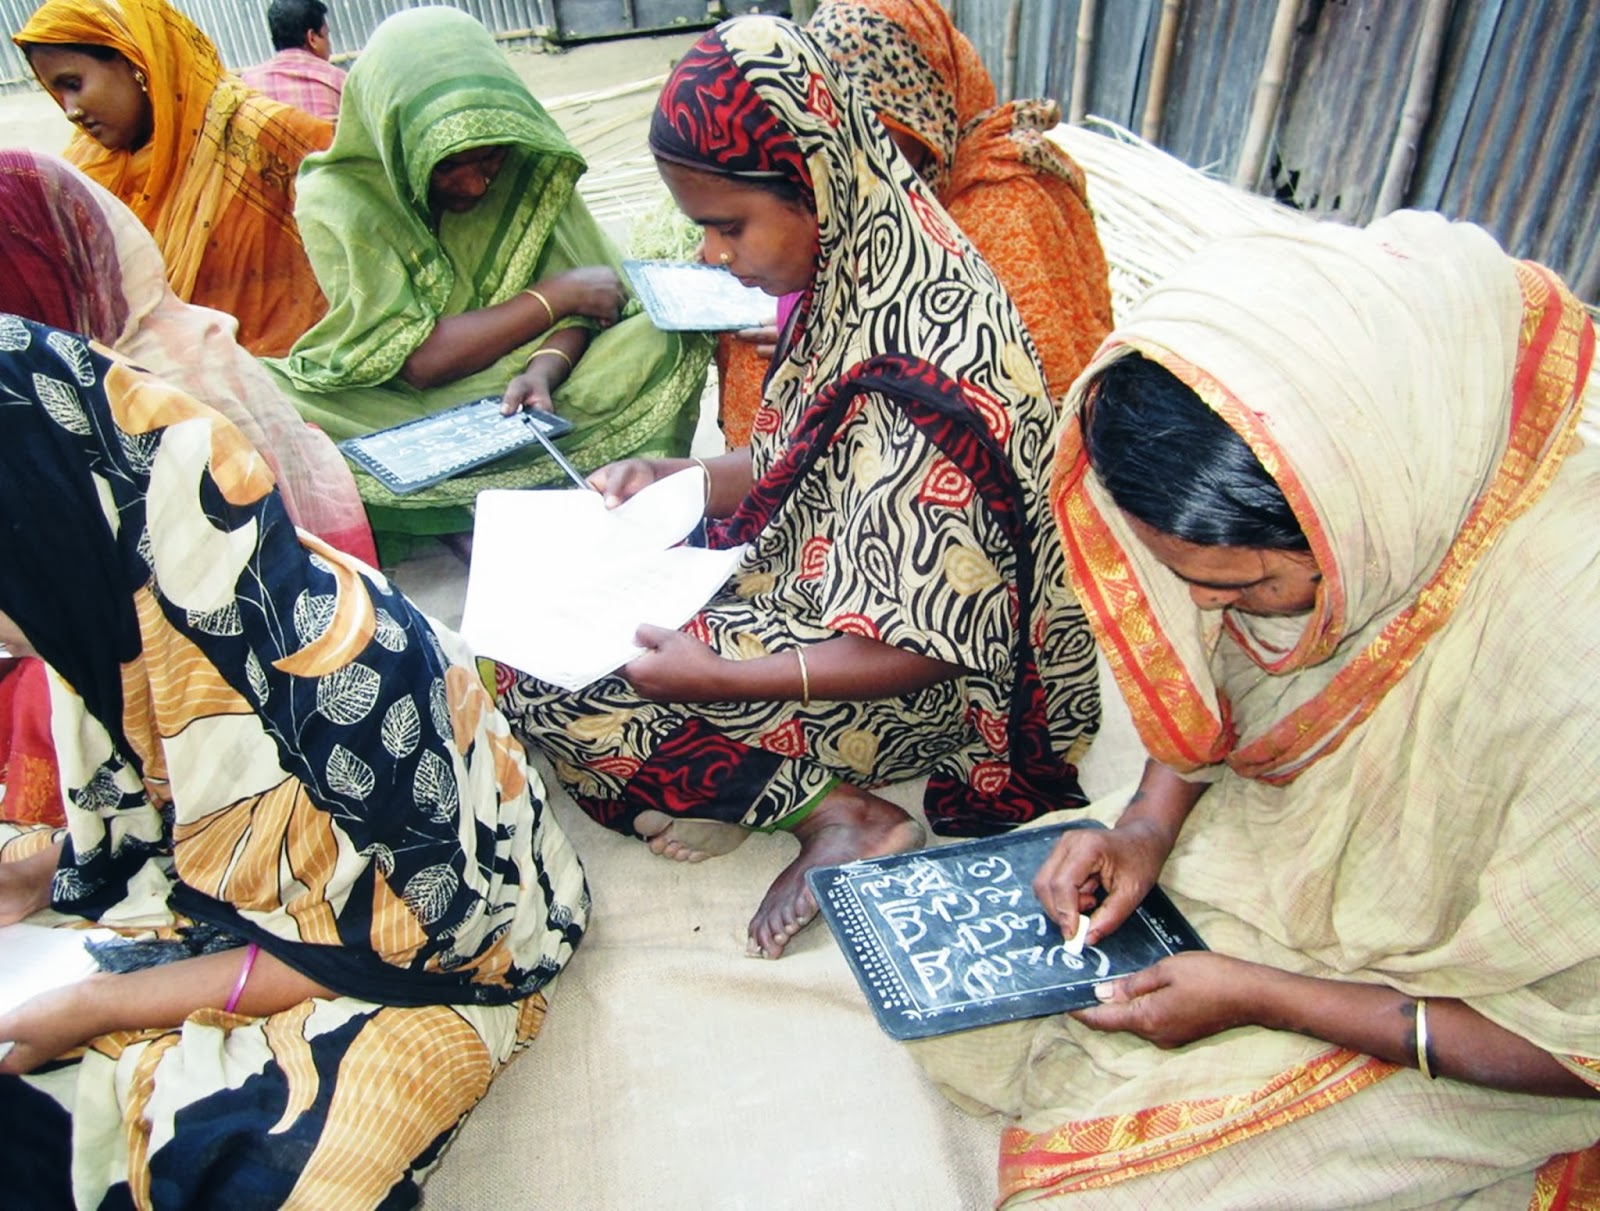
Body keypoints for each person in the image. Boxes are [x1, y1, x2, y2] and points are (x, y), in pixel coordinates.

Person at [912, 212, 1600, 1205]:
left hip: (1488, 1004)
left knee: (1105, 1191)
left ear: (1355, 517)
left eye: (1242, 588)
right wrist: (1142, 825)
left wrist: (1263, 996)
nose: (1203, 611)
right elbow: (1216, 710)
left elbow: (1574, 1041)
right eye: (1192, 579)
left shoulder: (1569, 650)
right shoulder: (1359, 497)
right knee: (969, 983)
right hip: (1284, 857)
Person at [497, 17, 1101, 960]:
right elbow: (796, 457)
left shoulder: (935, 368)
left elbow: (938, 648)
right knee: (537, 642)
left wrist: (725, 677)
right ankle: (766, 787)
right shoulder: (859, 272)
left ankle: (842, 813)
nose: (710, 256)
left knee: (565, 684)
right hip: (823, 591)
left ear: (815, 181)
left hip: (934, 681)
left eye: (726, 226)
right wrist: (681, 477)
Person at [0, 316, 589, 1209]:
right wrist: (41, 874)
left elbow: (385, 944)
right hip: (271, 902)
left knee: (265, 1167)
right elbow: (167, 800)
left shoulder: (333, 674)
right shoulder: (138, 616)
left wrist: (97, 1007)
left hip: (432, 947)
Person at [0, 148, 376, 829]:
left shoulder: (174, 386)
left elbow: (203, 619)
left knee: (51, 698)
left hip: (230, 652)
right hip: (145, 634)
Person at [268, 7, 712, 558]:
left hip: (519, 387)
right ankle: (451, 510)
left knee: (666, 335)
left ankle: (614, 502)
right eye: (451, 165)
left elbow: (593, 305)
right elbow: (417, 361)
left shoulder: (522, 164)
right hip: (400, 402)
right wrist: (556, 295)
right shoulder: (337, 198)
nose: (477, 184)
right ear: (394, 133)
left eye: (490, 161)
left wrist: (544, 367)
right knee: (274, 401)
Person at [710, 0, 1114, 449]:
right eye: (839, 135)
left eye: (876, 130)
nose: (859, 155)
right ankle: (760, 507)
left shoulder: (1002, 203)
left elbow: (1015, 397)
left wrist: (829, 336)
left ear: (926, 113)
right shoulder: (860, 186)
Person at [14, 0, 330, 358]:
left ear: (134, 60)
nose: (70, 110)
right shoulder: (85, 174)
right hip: (162, 397)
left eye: (74, 84)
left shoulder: (260, 135)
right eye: (56, 94)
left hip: (298, 377)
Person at [239, 0, 345, 123]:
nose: (329, 44)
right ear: (312, 38)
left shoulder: (247, 85)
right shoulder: (338, 80)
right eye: (326, 35)